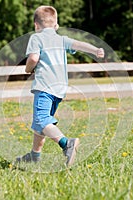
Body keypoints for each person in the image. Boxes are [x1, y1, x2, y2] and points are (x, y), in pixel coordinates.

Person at [16, 5, 104, 167]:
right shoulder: (61, 39)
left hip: (44, 87)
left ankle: (66, 143)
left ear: (36, 25)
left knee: (42, 119)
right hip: (59, 89)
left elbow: (33, 59)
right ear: (56, 25)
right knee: (41, 124)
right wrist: (95, 50)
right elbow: (78, 44)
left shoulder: (36, 37)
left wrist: (28, 69)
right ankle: (35, 155)